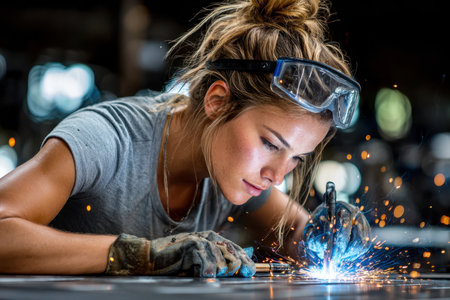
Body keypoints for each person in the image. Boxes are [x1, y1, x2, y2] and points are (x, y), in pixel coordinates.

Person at [0, 0, 370, 277]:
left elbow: (294, 233)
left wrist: (326, 236)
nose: (277, 174)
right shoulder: (105, 139)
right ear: (217, 102)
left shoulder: (231, 169)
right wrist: (140, 255)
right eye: (271, 144)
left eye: (296, 159)